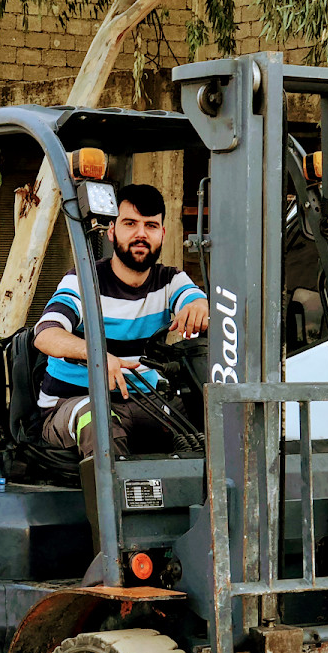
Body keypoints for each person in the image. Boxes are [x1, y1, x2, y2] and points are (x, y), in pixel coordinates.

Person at [34, 183, 210, 458]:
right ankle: (110, 501)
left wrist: (200, 305)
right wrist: (97, 357)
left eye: (151, 226)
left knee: (204, 421)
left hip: (144, 401)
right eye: (130, 223)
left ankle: (196, 499)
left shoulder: (170, 280)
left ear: (162, 234)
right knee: (99, 422)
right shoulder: (84, 280)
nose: (141, 234)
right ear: (112, 230)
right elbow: (46, 334)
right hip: (73, 403)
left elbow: (193, 299)